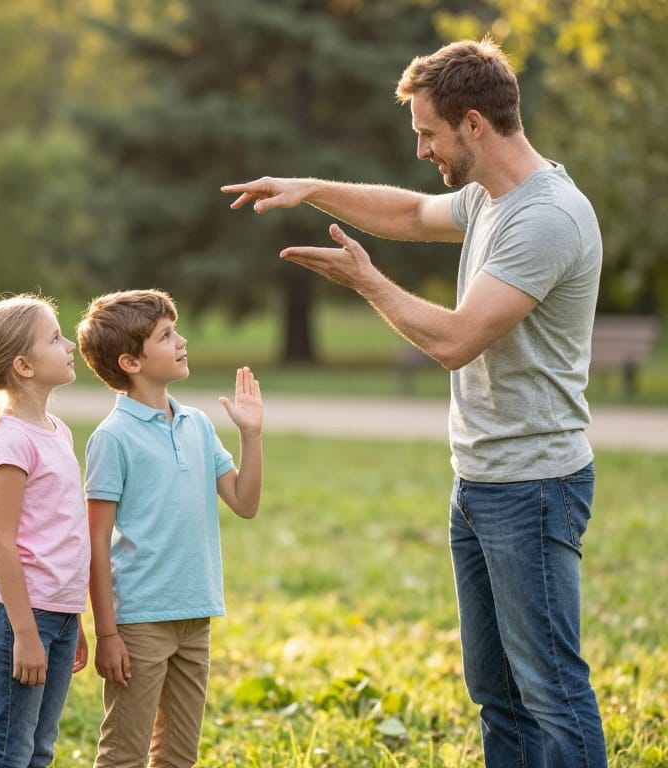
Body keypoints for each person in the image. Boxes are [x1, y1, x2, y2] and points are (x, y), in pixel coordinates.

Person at [221, 37, 605, 768]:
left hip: (535, 485)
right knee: (496, 691)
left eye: (427, 133)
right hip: (482, 481)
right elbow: (410, 212)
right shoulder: (494, 198)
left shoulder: (545, 217)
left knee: (552, 691)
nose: (422, 149)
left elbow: (459, 340)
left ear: (472, 124)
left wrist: (368, 283)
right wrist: (311, 187)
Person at [75, 289, 263, 768]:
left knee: (180, 756)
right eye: (166, 335)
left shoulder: (197, 424)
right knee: (123, 755)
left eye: (175, 330)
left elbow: (244, 502)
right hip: (139, 622)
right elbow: (95, 542)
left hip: (195, 613)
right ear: (130, 361)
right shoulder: (112, 438)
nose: (181, 341)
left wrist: (251, 435)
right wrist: (108, 634)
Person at [0, 294, 90, 768]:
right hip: (22, 615)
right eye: (55, 338)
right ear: (24, 366)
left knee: (40, 749)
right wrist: (27, 634)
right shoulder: (12, 440)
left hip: (56, 612)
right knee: (9, 749)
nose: (70, 343)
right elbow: (0, 542)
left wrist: (71, 620)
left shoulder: (57, 430)